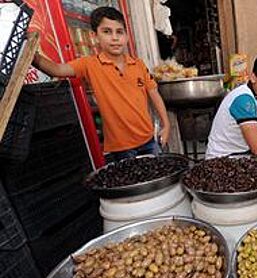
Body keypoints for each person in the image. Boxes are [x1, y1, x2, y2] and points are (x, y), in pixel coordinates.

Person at [32, 7, 170, 164]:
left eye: (119, 32)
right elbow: (56, 69)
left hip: (148, 140)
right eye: (107, 32)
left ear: (126, 36)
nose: (115, 38)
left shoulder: (138, 64)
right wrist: (30, 53)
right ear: (94, 36)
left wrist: (166, 125)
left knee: (158, 180)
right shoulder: (89, 64)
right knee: (131, 185)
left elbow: (154, 94)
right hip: (121, 148)